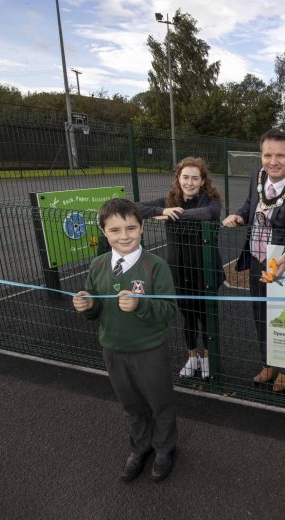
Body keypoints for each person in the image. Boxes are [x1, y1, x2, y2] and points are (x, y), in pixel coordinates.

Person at [73, 199, 178, 482]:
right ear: (104, 233)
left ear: (142, 228)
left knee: (160, 403)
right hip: (113, 350)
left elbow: (169, 311)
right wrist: (87, 306)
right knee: (130, 404)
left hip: (149, 351)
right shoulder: (97, 266)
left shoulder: (156, 267)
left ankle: (165, 448)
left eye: (131, 228)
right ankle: (140, 447)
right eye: (115, 230)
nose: (124, 236)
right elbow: (96, 310)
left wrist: (140, 305)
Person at [222, 128, 285, 392]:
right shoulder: (258, 175)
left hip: (283, 266)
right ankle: (268, 362)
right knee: (260, 314)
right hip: (256, 260)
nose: (273, 161)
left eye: (280, 156)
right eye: (267, 155)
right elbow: (250, 205)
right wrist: (240, 216)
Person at [137, 156, 224, 380]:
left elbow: (208, 214)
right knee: (188, 318)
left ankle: (207, 359)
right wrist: (161, 210)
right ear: (178, 178)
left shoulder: (210, 201)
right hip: (180, 272)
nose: (190, 182)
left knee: (206, 318)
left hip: (206, 271)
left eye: (195, 178)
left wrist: (173, 214)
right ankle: (192, 357)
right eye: (185, 177)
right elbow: (134, 207)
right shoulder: (169, 200)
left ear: (203, 181)